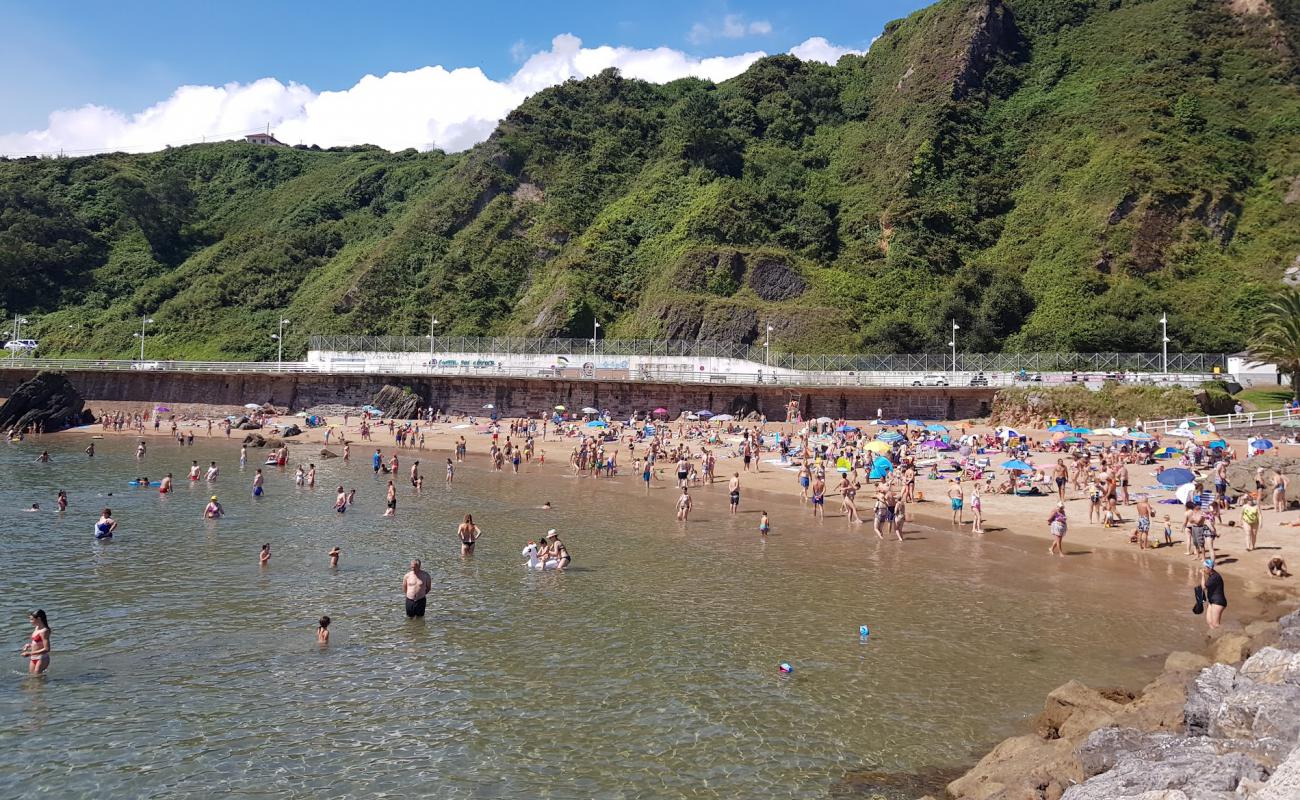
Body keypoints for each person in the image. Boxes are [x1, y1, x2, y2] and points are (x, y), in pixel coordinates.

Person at [20, 610, 51, 675]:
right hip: (33, 657)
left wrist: (29, 653)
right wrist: (29, 645)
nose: (30, 621)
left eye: (32, 619)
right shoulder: (36, 628)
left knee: (37, 678)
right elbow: (38, 643)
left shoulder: (44, 631)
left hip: (42, 658)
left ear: (39, 619)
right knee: (31, 676)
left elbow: (47, 649)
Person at [1201, 559, 1227, 630]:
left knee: (1215, 624)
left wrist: (1202, 575)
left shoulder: (1214, 577)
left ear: (1210, 568)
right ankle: (1213, 638)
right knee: (1209, 622)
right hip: (1212, 601)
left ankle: (1228, 634)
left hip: (1218, 602)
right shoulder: (1211, 575)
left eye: (1205, 568)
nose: (1203, 569)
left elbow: (1203, 587)